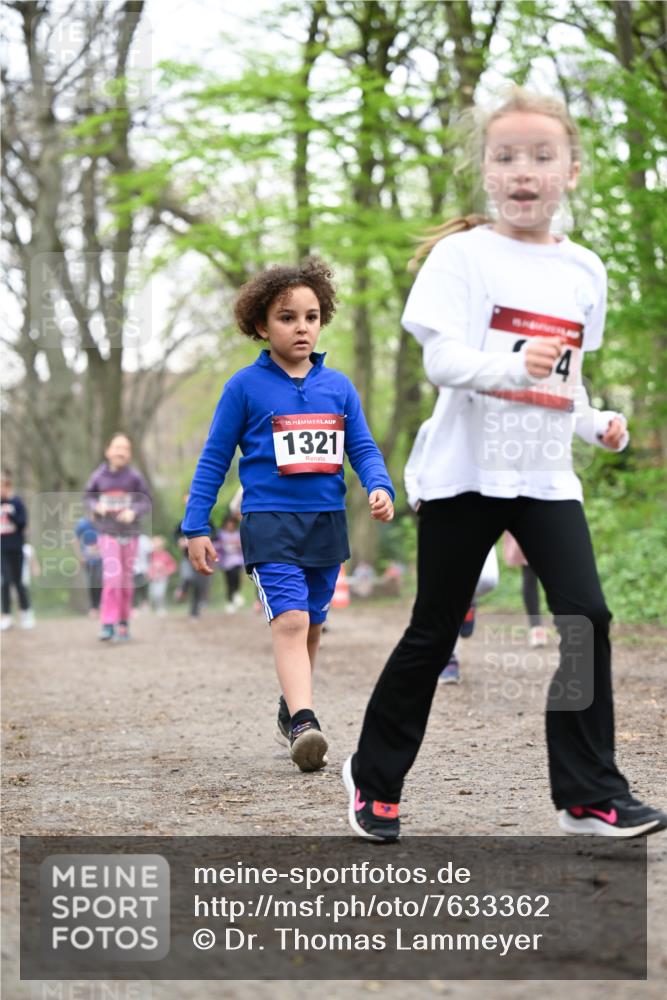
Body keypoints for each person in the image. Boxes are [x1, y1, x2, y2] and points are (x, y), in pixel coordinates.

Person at [343, 87, 667, 841]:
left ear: (570, 171)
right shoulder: (462, 257)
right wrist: (515, 363)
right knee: (434, 629)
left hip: (544, 476)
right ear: (485, 171)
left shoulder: (584, 269)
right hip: (465, 471)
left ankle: (587, 793)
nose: (524, 171)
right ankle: (374, 777)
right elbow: (443, 361)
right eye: (506, 156)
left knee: (585, 619)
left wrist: (595, 423)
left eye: (542, 156)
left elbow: (565, 380)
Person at [182, 257, 394, 773]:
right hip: (270, 521)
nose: (302, 327)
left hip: (326, 522)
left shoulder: (338, 387)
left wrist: (379, 484)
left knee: (314, 623)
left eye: (311, 317)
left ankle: (291, 705)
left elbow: (362, 447)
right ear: (261, 325)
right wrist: (195, 525)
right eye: (287, 317)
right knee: (292, 620)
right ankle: (304, 722)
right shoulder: (244, 388)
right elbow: (214, 458)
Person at [83, 433, 152, 642]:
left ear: (129, 454)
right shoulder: (98, 476)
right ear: (108, 451)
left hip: (130, 534)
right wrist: (96, 506)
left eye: (125, 448)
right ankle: (107, 623)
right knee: (112, 577)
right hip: (108, 533)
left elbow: (146, 501)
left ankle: (123, 623)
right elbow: (88, 497)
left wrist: (133, 511)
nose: (120, 452)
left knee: (126, 580)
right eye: (117, 447)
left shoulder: (134, 477)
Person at [1, 469, 35, 630]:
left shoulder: (17, 503)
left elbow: (22, 524)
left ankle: (25, 612)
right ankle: (6, 615)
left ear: (7, 486)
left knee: (18, 581)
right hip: (2, 549)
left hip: (16, 547)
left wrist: (10, 514)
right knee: (5, 581)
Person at [214, 514, 245, 613]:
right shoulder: (220, 534)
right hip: (225, 561)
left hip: (237, 559)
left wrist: (238, 545)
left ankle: (236, 593)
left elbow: (244, 544)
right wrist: (222, 545)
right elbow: (215, 545)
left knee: (236, 576)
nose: (230, 526)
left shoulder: (238, 533)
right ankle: (230, 602)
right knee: (229, 582)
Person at [74, 516, 103, 616]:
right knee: (92, 581)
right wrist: (80, 556)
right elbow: (76, 540)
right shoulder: (83, 524)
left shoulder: (105, 523)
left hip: (104, 559)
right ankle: (94, 607)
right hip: (89, 559)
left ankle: (102, 605)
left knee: (103, 580)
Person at [148, 535, 177, 616]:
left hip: (163, 578)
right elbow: (147, 567)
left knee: (160, 593)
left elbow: (172, 566)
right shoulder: (150, 555)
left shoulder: (166, 555)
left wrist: (166, 570)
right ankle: (155, 607)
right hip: (153, 578)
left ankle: (161, 608)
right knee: (153, 594)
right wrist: (150, 573)